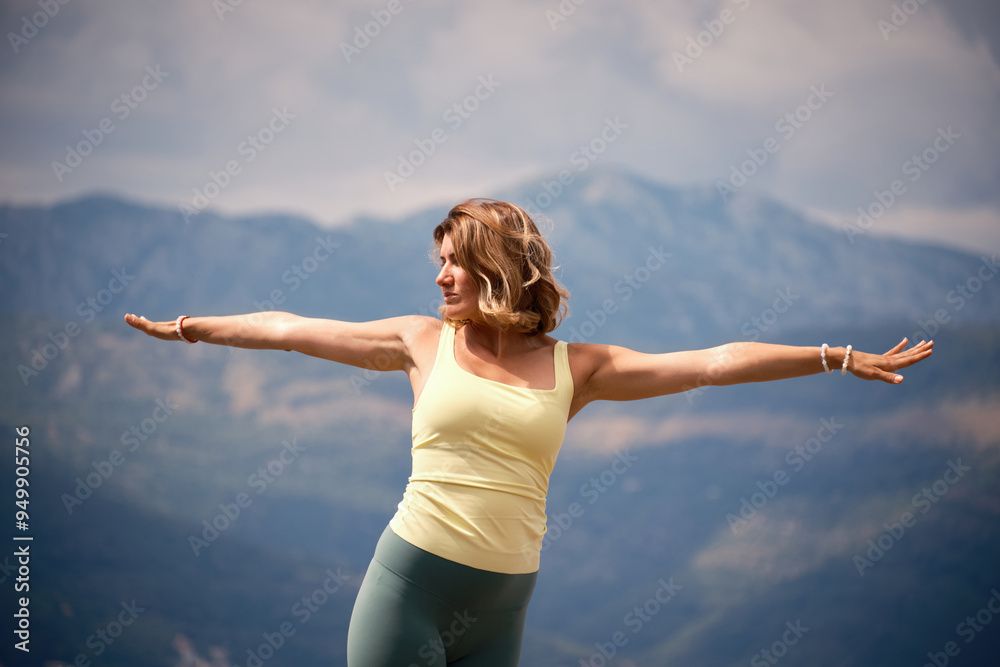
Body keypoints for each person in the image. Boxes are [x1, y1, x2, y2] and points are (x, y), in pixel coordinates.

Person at [123, 197, 934, 666]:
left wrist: (835, 355)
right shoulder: (419, 341)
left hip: (504, 600)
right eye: (437, 260)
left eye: (455, 261)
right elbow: (291, 326)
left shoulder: (578, 367)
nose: (439, 276)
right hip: (410, 583)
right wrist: (191, 326)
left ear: (498, 268)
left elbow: (714, 361)